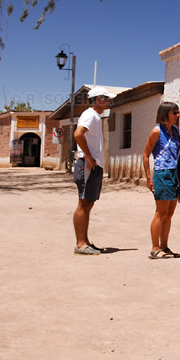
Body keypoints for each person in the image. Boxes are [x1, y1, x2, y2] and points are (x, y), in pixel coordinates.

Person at [142, 102, 180, 259]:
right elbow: (145, 155)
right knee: (161, 212)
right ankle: (155, 248)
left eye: (178, 112)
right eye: (174, 113)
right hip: (162, 174)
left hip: (175, 174)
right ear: (165, 114)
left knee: (169, 214)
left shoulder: (176, 131)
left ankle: (164, 246)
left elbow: (175, 149)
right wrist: (149, 178)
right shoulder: (156, 132)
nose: (177, 116)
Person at [72, 86, 116, 255]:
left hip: (93, 165)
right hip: (88, 164)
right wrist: (89, 157)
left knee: (88, 203)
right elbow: (78, 134)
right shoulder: (90, 115)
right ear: (98, 99)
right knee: (83, 203)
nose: (109, 102)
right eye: (107, 99)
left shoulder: (95, 117)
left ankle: (85, 241)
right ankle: (80, 244)